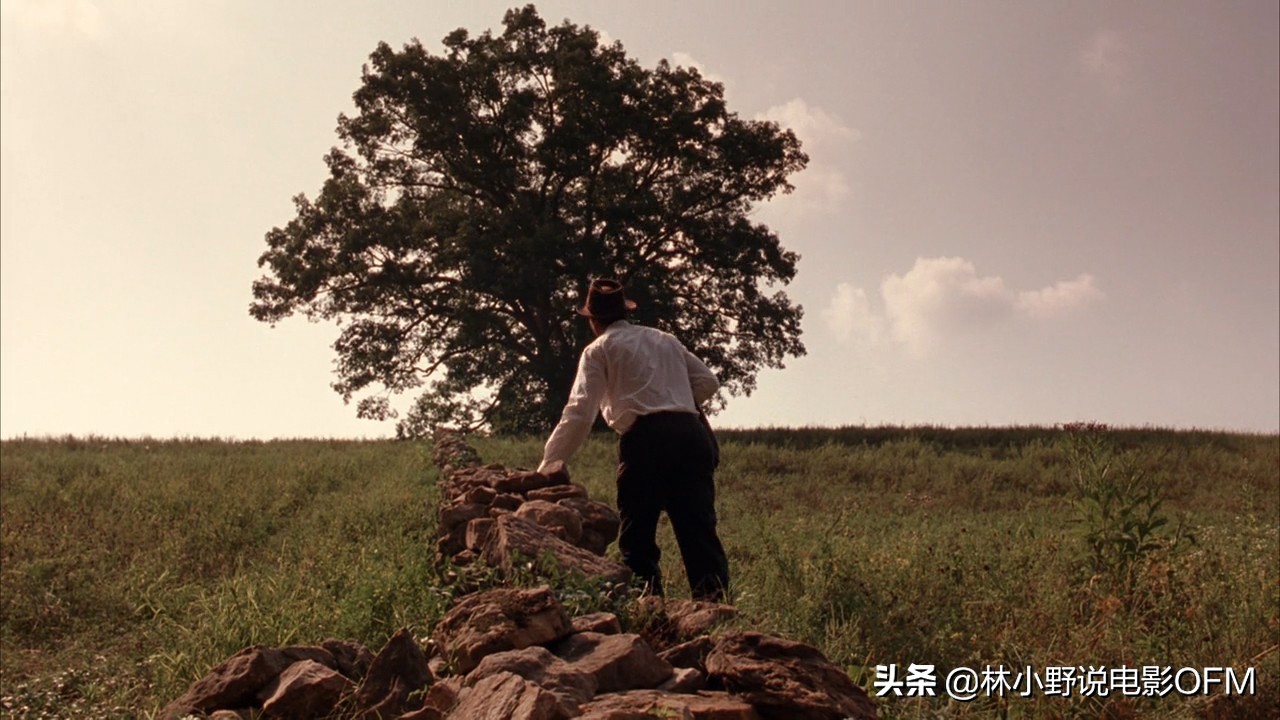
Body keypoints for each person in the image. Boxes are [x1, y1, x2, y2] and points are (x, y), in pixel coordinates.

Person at [537, 278, 731, 601]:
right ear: (625, 311)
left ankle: (650, 614)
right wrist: (675, 397)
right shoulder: (664, 339)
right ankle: (716, 612)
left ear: (593, 321)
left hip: (645, 442)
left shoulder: (598, 350)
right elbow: (708, 382)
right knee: (699, 532)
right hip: (690, 435)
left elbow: (580, 413)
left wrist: (549, 464)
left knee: (638, 538)